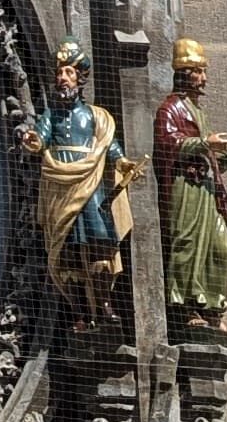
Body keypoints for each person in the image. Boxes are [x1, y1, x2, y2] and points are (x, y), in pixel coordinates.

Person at [19, 36, 138, 325]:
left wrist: (122, 162)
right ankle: (80, 313)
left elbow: (110, 146)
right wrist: (33, 140)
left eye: (69, 73)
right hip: (62, 184)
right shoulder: (52, 115)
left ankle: (105, 303)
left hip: (92, 186)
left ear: (80, 78)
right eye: (60, 73)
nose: (63, 79)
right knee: (68, 252)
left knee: (100, 244)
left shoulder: (95, 116)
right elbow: (40, 138)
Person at [153, 36, 227, 330]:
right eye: (199, 71)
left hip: (206, 188)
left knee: (221, 248)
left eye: (204, 71)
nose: (204, 78)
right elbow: (167, 143)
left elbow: (206, 153)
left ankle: (213, 309)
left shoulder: (199, 111)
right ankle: (186, 310)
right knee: (187, 244)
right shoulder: (170, 108)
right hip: (185, 188)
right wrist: (204, 143)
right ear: (185, 73)